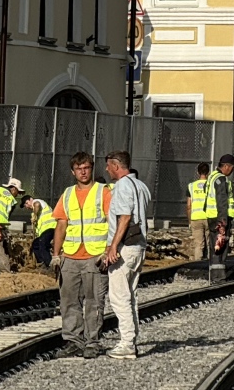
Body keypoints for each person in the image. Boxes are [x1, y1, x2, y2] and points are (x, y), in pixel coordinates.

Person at [50, 151, 111, 359]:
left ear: (91, 168)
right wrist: (56, 254)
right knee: (69, 301)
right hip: (71, 256)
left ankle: (92, 341)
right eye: (79, 169)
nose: (83, 172)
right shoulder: (67, 194)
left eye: (86, 168)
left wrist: (108, 250)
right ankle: (73, 341)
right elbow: (61, 225)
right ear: (73, 171)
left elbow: (112, 222)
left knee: (94, 302)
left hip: (94, 257)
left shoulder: (103, 191)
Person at [102, 150, 150, 360]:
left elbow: (124, 218)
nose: (106, 169)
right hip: (139, 246)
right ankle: (131, 337)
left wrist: (113, 246)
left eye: (108, 165)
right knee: (131, 294)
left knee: (119, 296)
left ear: (116, 165)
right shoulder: (141, 186)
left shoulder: (122, 186)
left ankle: (127, 343)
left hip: (125, 247)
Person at [205, 155, 234, 264]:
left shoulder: (212, 176)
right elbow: (222, 202)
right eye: (232, 168)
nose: (232, 171)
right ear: (226, 166)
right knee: (220, 246)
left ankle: (214, 274)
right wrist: (222, 223)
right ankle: (219, 277)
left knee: (215, 245)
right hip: (220, 218)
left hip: (211, 216)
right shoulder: (221, 179)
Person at [186, 163, 211, 262]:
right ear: (208, 173)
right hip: (209, 217)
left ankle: (198, 264)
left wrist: (189, 221)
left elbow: (188, 206)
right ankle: (210, 264)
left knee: (198, 244)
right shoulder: (211, 185)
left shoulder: (191, 186)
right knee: (209, 243)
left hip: (196, 217)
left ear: (197, 172)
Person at [29, 198, 57, 269]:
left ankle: (49, 265)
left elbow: (37, 204)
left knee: (42, 243)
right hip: (45, 231)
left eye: (26, 205)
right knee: (35, 244)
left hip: (51, 227)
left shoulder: (36, 202)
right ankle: (41, 263)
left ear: (28, 201)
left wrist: (35, 215)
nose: (27, 208)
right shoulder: (35, 211)